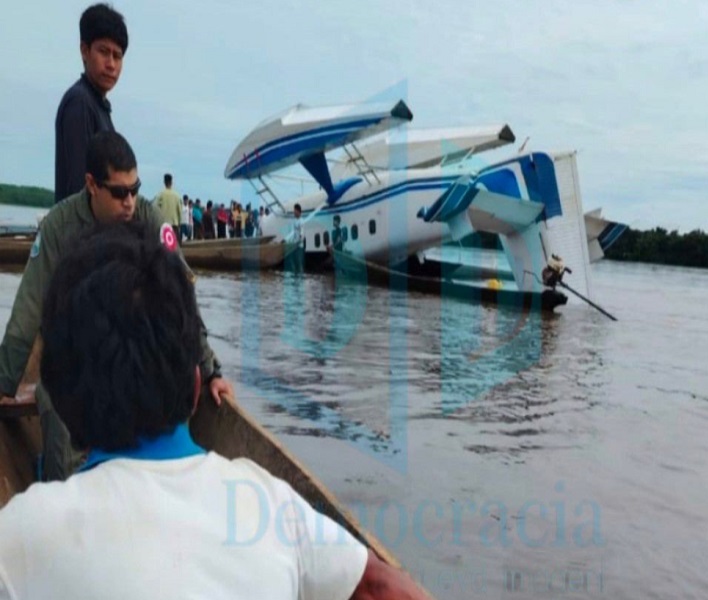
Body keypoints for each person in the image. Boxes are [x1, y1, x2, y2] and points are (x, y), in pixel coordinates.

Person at [0, 223, 427, 599]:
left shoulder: (20, 534)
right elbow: (382, 589)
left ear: (60, 397)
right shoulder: (272, 505)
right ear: (196, 385)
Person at [0, 131, 233, 481]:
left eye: (135, 189)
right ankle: (63, 490)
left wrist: (210, 370)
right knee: (55, 408)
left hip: (132, 354)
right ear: (92, 185)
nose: (129, 201)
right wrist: (4, 381)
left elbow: (181, 299)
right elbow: (29, 308)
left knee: (171, 397)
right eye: (119, 192)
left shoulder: (148, 218)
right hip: (79, 356)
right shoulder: (59, 227)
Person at [55, 3, 128, 202]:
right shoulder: (80, 102)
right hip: (83, 232)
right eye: (104, 52)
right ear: (85, 51)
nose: (111, 64)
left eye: (117, 56)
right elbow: (79, 190)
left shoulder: (100, 106)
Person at [152, 173, 182, 241]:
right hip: (174, 225)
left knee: (164, 247)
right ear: (172, 182)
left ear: (164, 182)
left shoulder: (160, 195)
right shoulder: (177, 196)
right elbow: (179, 211)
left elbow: (154, 207)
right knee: (175, 248)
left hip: (164, 225)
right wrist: (179, 222)